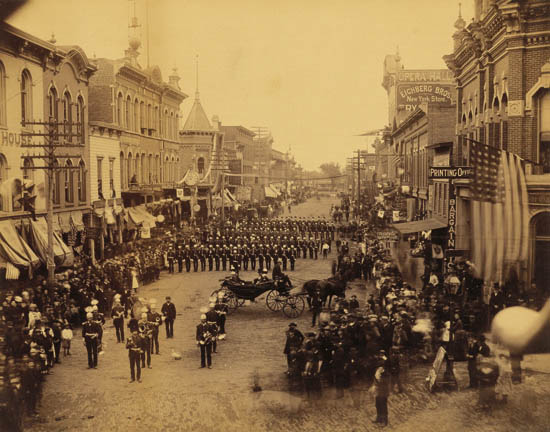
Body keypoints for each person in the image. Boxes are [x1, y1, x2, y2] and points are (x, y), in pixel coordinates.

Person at [372, 350, 390, 427]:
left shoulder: (385, 372)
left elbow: (386, 381)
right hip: (378, 390)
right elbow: (375, 378)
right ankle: (379, 417)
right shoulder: (377, 370)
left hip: (383, 390)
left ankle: (385, 420)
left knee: (383, 405)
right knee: (377, 404)